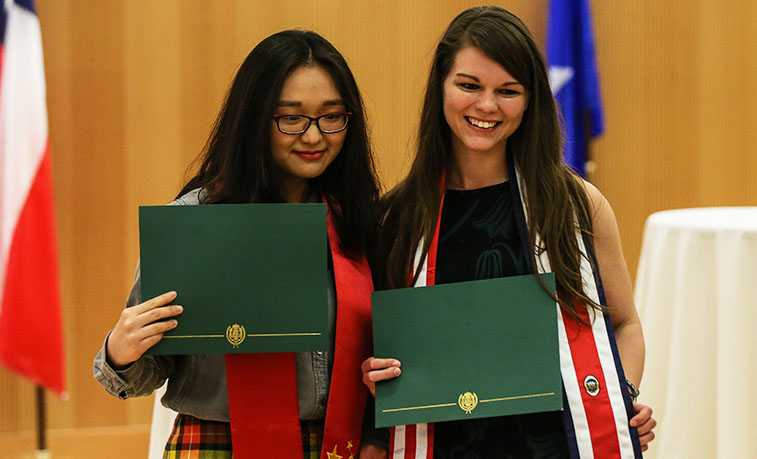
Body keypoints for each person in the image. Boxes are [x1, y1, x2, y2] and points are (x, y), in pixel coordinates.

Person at [360, 6, 656, 458]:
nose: (486, 106)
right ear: (440, 87)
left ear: (531, 98)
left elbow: (625, 322)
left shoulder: (577, 204)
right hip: (441, 445)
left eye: (508, 91)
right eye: (468, 85)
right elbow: (378, 354)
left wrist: (622, 397)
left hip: (557, 446)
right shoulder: (396, 219)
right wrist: (376, 375)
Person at [93, 30, 380, 458]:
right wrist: (120, 351)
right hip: (215, 444)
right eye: (291, 118)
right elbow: (145, 373)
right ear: (254, 119)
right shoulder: (194, 222)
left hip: (337, 446)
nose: (314, 136)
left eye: (331, 116)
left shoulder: (362, 224)